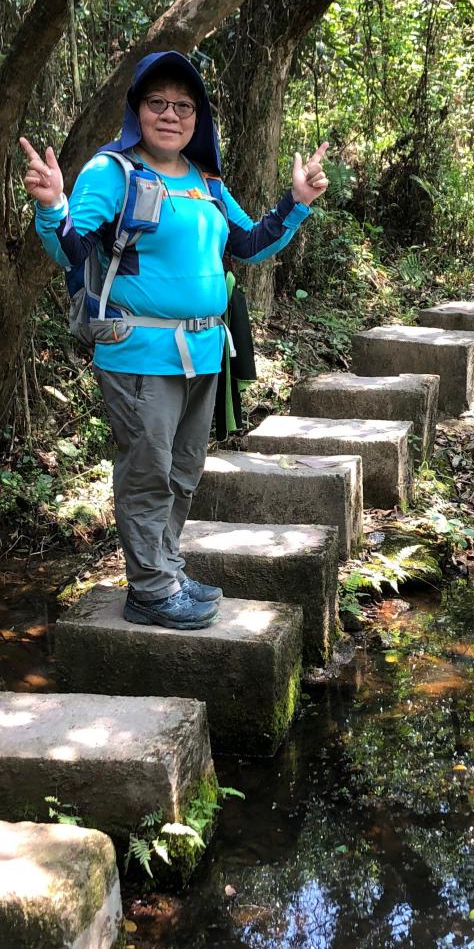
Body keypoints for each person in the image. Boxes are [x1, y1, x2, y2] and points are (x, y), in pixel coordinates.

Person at [19, 50, 329, 630]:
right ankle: (150, 591)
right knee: (148, 472)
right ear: (137, 110)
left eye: (184, 106)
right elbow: (71, 251)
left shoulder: (205, 181)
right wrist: (53, 206)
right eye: (157, 102)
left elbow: (249, 243)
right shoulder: (111, 172)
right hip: (140, 352)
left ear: (198, 118)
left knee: (184, 470)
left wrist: (296, 204)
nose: (170, 114)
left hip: (204, 352)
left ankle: (167, 570)